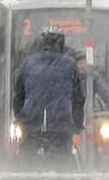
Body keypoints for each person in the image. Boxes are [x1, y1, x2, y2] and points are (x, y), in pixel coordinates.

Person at [12, 29, 85, 166]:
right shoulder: (69, 64)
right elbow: (78, 98)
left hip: (32, 123)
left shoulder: (28, 64)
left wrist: (20, 117)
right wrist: (77, 123)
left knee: (27, 161)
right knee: (63, 162)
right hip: (60, 124)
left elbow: (18, 95)